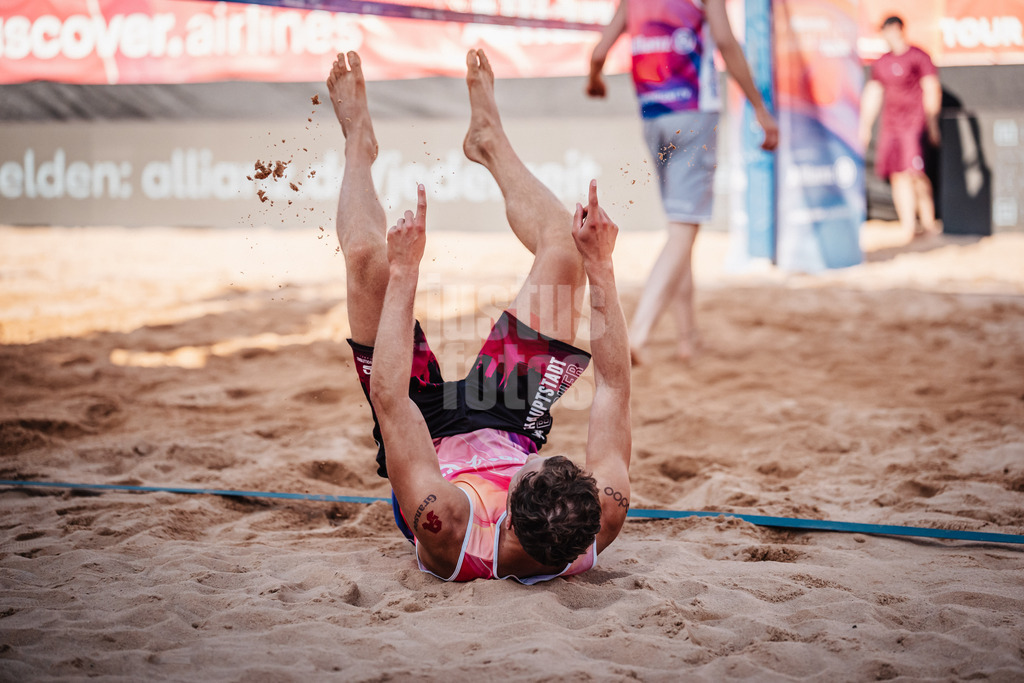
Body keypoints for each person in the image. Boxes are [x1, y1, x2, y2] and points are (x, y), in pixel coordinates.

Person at [326, 49, 632, 583]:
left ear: (508, 515)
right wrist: (601, 268)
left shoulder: (447, 525)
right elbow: (613, 387)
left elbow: (389, 399)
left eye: (534, 468)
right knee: (564, 247)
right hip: (509, 420)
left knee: (367, 260)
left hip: (427, 431)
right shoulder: (598, 513)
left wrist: (405, 273)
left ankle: (358, 143)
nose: (543, 457)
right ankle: (488, 141)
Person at [587, 0, 778, 364]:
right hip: (693, 112)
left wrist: (595, 79)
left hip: (653, 116)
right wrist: (760, 107)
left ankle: (688, 336)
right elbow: (725, 40)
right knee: (682, 230)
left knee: (679, 228)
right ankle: (638, 335)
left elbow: (598, 53)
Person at [860, 15, 942, 242]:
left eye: (887, 31)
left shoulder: (918, 56)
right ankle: (908, 227)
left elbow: (931, 88)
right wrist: (865, 127)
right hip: (891, 126)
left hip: (914, 124)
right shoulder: (882, 62)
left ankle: (928, 223)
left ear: (897, 29)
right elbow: (873, 94)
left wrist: (932, 124)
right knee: (898, 175)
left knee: (915, 173)